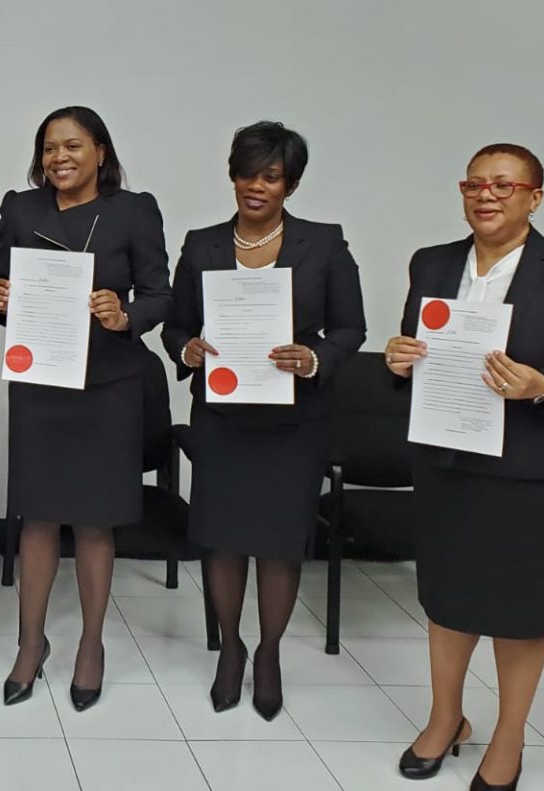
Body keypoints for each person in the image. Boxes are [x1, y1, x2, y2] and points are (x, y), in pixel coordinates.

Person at [386, 144, 544, 790]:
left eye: (503, 184)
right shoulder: (432, 262)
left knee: (521, 610)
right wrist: (399, 359)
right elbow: (421, 351)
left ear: (534, 197)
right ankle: (445, 719)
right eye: (474, 183)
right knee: (448, 600)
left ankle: (509, 737)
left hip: (534, 470)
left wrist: (543, 383)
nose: (485, 195)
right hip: (449, 462)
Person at [161, 121, 365, 721]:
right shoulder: (202, 244)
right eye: (247, 174)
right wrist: (186, 349)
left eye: (270, 177)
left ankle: (270, 653)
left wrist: (316, 357)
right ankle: (231, 649)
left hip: (293, 419)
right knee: (221, 539)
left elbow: (351, 328)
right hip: (223, 415)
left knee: (279, 545)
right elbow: (176, 324)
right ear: (233, 175)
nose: (256, 186)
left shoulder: (324, 244)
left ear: (290, 184)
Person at [0, 106, 171, 711]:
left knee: (94, 520)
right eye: (48, 148)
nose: (58, 158)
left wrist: (125, 316)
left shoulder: (132, 210)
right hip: (39, 383)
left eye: (72, 146)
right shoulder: (21, 208)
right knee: (37, 517)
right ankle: (29, 644)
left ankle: (91, 645)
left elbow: (160, 293)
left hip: (108, 385)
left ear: (100, 152)